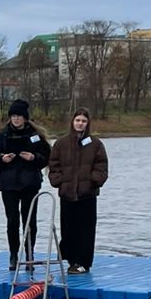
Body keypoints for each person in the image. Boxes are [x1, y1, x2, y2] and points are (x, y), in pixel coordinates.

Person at [0, 99, 50, 271]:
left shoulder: (35, 135)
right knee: (12, 221)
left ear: (25, 118)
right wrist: (2, 159)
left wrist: (34, 158)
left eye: (19, 116)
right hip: (9, 184)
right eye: (13, 116)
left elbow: (46, 157)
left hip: (30, 183)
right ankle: (13, 255)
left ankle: (30, 254)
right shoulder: (3, 135)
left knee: (30, 221)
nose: (16, 119)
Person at [47, 107, 108, 274]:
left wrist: (94, 181)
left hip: (87, 194)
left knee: (86, 230)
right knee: (68, 229)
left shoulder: (95, 144)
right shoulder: (61, 143)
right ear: (72, 122)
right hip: (67, 194)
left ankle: (83, 263)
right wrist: (58, 181)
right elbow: (53, 164)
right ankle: (71, 259)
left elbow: (101, 166)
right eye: (77, 120)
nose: (80, 124)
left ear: (87, 124)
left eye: (83, 121)